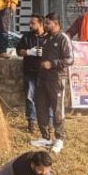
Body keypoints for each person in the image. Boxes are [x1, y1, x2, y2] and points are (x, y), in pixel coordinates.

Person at [31, 13, 73, 154]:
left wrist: (53, 63)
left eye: (48, 23)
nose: (45, 26)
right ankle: (45, 137)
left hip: (56, 79)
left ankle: (59, 139)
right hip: (43, 79)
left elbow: (69, 59)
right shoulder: (47, 38)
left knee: (57, 110)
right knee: (41, 107)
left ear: (56, 23)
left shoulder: (63, 38)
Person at [16, 14, 47, 133]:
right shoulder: (27, 37)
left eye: (33, 23)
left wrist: (46, 52)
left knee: (46, 98)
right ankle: (31, 122)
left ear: (40, 24)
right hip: (29, 72)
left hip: (44, 74)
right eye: (30, 23)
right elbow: (19, 51)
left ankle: (48, 122)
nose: (30, 25)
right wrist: (29, 52)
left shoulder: (48, 37)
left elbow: (56, 52)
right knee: (30, 97)